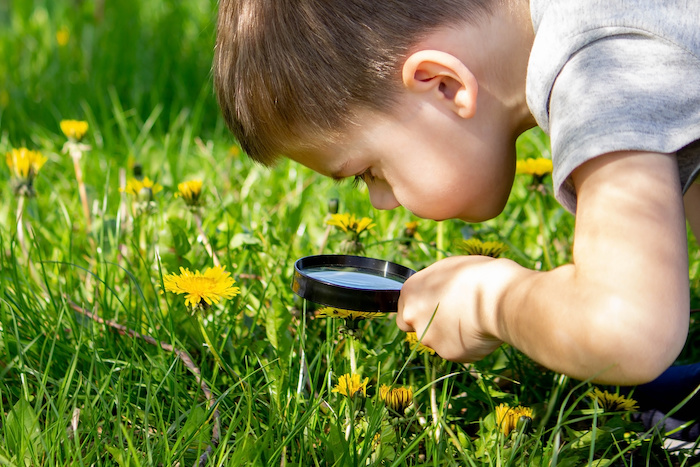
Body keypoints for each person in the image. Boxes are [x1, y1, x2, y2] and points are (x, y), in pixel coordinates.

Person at [213, 0, 700, 402]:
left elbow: (627, 328)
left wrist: (495, 301)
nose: (380, 203)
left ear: (442, 84)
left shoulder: (602, 60)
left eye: (368, 172)